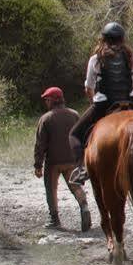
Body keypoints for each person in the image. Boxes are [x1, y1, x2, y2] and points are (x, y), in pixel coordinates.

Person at [68, 22, 133, 184]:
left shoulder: (96, 59)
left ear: (104, 39)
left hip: (104, 105)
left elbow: (89, 87)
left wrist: (93, 100)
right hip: (130, 103)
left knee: (74, 134)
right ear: (122, 39)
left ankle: (81, 169)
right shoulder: (131, 58)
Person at [35, 87, 92, 231]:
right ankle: (84, 208)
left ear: (52, 101)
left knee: (51, 189)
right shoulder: (74, 114)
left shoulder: (46, 118)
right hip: (72, 160)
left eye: (46, 100)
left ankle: (55, 220)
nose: (45, 102)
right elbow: (83, 137)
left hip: (53, 162)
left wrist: (38, 165)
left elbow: (40, 144)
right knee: (75, 185)